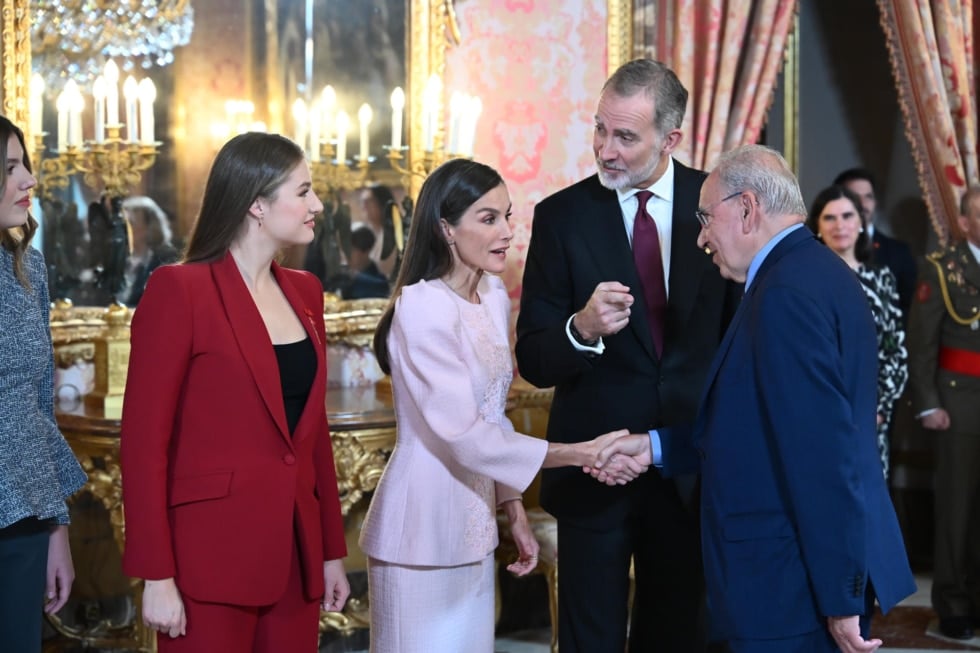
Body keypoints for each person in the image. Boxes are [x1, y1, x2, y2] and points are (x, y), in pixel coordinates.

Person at [592, 145, 916, 652]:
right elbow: (755, 428)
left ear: (746, 208)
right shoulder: (808, 274)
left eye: (705, 217)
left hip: (787, 588)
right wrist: (655, 447)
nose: (700, 237)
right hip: (785, 581)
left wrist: (839, 596)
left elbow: (822, 458)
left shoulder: (787, 292)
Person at [359, 158, 632, 653]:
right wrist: (578, 453)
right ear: (446, 228)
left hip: (476, 525)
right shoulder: (420, 307)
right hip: (420, 531)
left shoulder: (492, 296)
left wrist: (513, 510)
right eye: (488, 219)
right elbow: (465, 435)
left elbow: (492, 416)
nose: (507, 231)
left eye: (507, 215)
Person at [514, 58, 739, 652]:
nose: (605, 150)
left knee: (678, 636)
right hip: (596, 470)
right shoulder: (561, 217)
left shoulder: (716, 203)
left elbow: (740, 344)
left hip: (688, 470)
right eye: (599, 130)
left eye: (625, 136)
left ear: (671, 139)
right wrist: (581, 328)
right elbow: (533, 358)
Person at [120, 132, 350, 652]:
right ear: (256, 205)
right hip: (206, 564)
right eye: (304, 191)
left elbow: (314, 440)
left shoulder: (306, 292)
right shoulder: (180, 291)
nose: (317, 205)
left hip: (295, 557)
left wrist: (331, 550)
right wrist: (156, 574)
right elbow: (143, 445)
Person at [0, 115, 88, 652]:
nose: (28, 178)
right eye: (9, 168)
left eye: (24, 164)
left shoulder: (27, 267)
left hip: (25, 516)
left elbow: (38, 406)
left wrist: (58, 527)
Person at [907, 184, 980, 640]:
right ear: (967, 222)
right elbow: (922, 345)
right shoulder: (942, 269)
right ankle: (953, 601)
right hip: (960, 404)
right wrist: (930, 402)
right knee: (956, 509)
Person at [806, 185, 908, 478]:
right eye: (830, 218)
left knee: (866, 504)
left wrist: (876, 409)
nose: (840, 225)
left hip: (870, 418)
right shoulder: (805, 278)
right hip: (815, 415)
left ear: (861, 223)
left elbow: (896, 350)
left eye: (848, 216)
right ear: (817, 225)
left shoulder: (882, 278)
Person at [834, 167, 918, 326]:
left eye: (868, 197)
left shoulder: (899, 252)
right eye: (855, 196)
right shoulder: (820, 250)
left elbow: (910, 312)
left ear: (875, 202)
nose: (863, 204)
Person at [117, 195, 180, 306]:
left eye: (131, 224)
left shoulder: (165, 262)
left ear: (149, 227)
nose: (123, 230)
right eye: (122, 224)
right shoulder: (118, 259)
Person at [358, 184, 399, 279]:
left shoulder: (394, 233)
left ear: (382, 203)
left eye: (369, 201)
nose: (364, 206)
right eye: (362, 202)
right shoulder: (366, 232)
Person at [340, 225, 390, 299]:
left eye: (352, 251)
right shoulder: (344, 274)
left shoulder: (378, 281)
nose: (347, 256)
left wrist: (354, 277)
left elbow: (382, 287)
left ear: (366, 252)